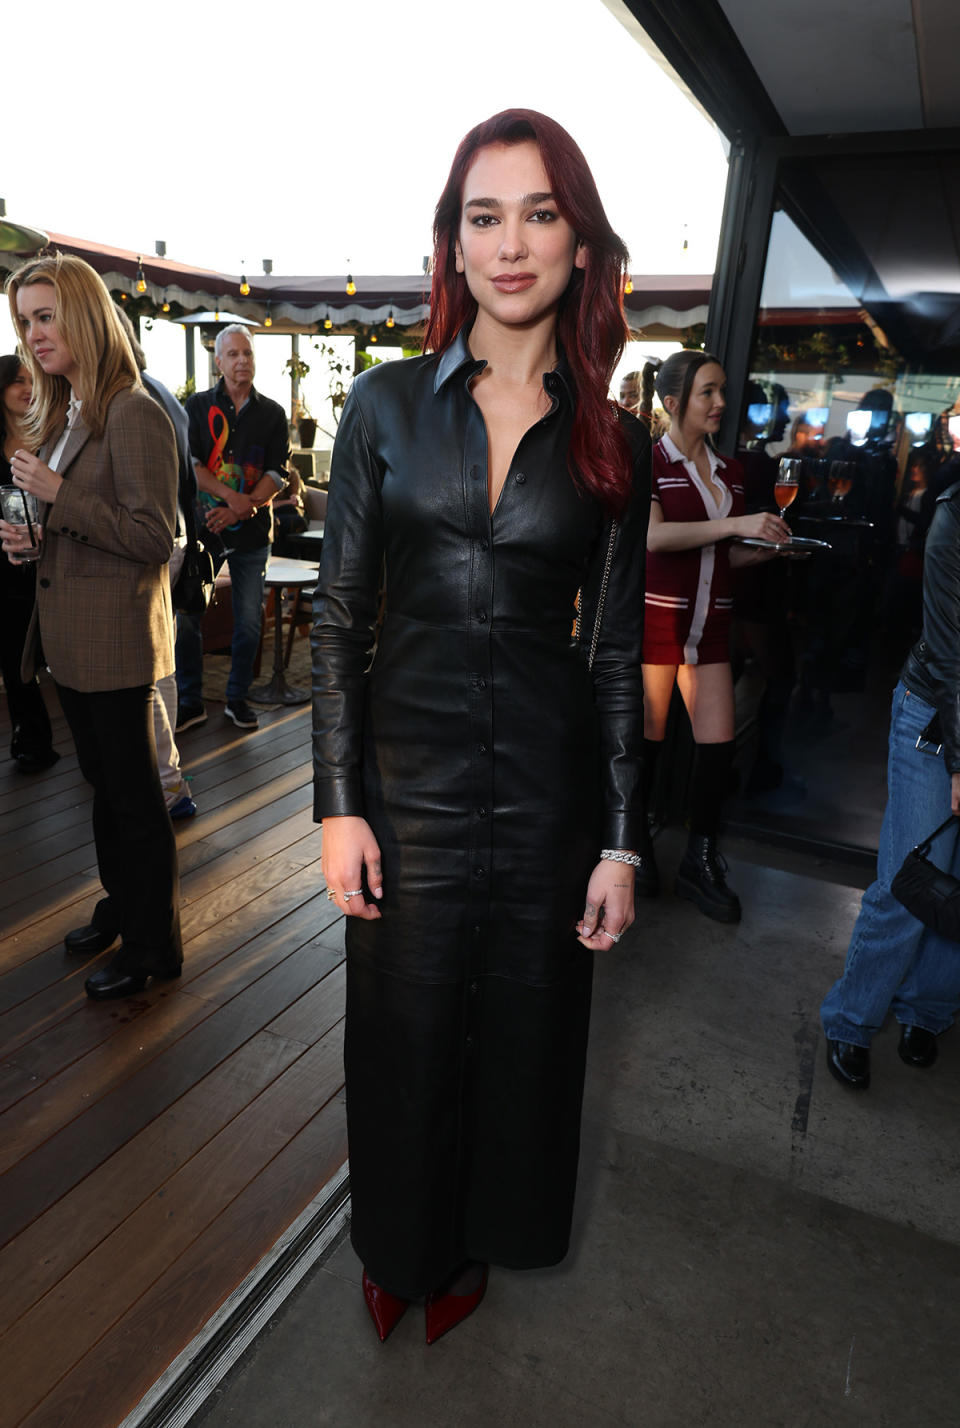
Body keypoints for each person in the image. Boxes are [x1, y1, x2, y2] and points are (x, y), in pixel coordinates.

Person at [312, 109, 650, 1345]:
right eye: (483, 216)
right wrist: (338, 802)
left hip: (548, 803)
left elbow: (615, 655)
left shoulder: (619, 441)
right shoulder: (386, 408)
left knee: (517, 1042)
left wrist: (621, 842)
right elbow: (342, 622)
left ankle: (466, 1248)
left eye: (539, 212)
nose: (510, 243)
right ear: (452, 248)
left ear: (579, 242)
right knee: (401, 1042)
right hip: (404, 795)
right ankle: (397, 1249)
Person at [0, 253, 181, 1001]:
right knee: (105, 789)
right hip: (72, 643)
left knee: (134, 802)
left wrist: (57, 494)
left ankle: (153, 946)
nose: (34, 335)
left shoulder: (134, 410)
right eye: (24, 321)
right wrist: (31, 535)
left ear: (83, 316)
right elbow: (84, 526)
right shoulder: (73, 408)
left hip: (115, 645)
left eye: (45, 317)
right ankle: (121, 906)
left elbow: (153, 537)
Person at [635, 350, 790, 922]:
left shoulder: (731, 472)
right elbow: (654, 538)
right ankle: (632, 848)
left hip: (711, 620)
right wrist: (736, 524)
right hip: (659, 617)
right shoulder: (649, 461)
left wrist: (771, 549)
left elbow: (729, 553)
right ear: (674, 403)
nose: (721, 402)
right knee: (646, 745)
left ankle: (700, 859)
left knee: (717, 748)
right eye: (708, 393)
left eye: (722, 391)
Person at [821, 479, 960, 1088]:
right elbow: (954, 656)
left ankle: (927, 1010)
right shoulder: (956, 513)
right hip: (938, 715)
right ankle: (852, 1020)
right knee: (911, 879)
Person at [176, 325, 289, 734]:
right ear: (218, 361)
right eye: (234, 354)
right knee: (188, 616)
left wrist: (241, 510)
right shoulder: (197, 406)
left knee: (250, 621)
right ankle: (190, 700)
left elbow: (278, 475)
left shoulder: (273, 414)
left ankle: (237, 697)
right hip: (204, 529)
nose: (242, 361)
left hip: (253, 535)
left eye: (248, 353)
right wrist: (232, 500)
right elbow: (191, 465)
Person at [115, 306, 197, 818]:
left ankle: (164, 782)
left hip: (151, 540)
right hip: (175, 536)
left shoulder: (133, 398)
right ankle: (169, 780)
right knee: (158, 661)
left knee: (140, 668)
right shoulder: (162, 389)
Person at [0, 354, 59, 773]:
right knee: (13, 657)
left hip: (50, 560)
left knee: (54, 656)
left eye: (31, 380)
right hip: (4, 567)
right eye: (16, 382)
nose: (27, 388)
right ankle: (32, 737)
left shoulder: (51, 439)